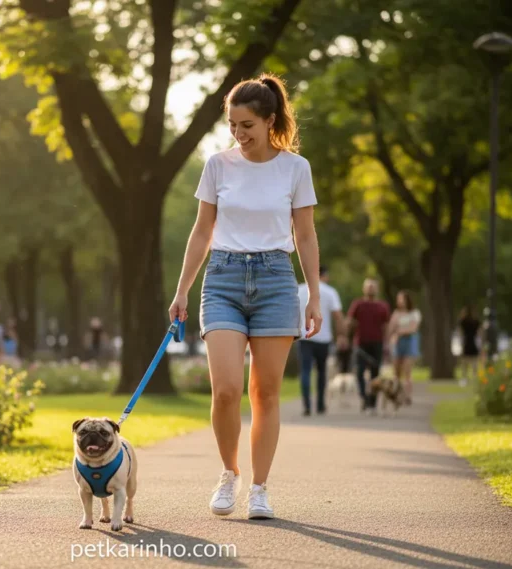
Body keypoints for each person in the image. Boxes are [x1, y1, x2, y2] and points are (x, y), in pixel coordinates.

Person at [168, 73, 322, 521]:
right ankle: (228, 473)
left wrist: (312, 295)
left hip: (276, 278)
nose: (238, 134)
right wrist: (182, 290)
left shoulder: (296, 168)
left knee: (266, 393)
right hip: (223, 279)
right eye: (233, 125)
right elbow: (201, 231)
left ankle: (259, 488)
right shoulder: (217, 165)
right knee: (226, 390)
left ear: (270, 120)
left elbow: (307, 236)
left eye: (247, 126)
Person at [297, 265, 346, 416]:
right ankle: (320, 405)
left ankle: (306, 405)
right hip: (323, 338)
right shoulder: (330, 292)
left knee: (305, 371)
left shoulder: (299, 290)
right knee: (321, 371)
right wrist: (342, 335)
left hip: (303, 336)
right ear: (323, 275)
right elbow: (338, 316)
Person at [346, 278, 390, 411]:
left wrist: (387, 343)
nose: (371, 289)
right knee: (359, 373)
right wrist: (347, 333)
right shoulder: (357, 304)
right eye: (368, 286)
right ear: (364, 289)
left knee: (375, 374)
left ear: (377, 289)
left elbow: (386, 326)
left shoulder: (383, 306)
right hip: (360, 344)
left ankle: (372, 402)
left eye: (373, 286)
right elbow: (350, 321)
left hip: (377, 343)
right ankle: (364, 397)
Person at [387, 290, 421, 405]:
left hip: (409, 343)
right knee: (396, 372)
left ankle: (407, 396)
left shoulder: (414, 313)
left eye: (401, 299)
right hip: (397, 344)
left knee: (407, 372)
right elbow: (391, 328)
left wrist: (399, 332)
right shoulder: (396, 314)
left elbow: (413, 329)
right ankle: (396, 394)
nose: (400, 301)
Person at [458, 305, 481, 385]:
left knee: (465, 363)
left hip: (468, 343)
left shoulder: (464, 322)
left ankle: (465, 378)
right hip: (472, 343)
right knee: (473, 363)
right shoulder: (475, 322)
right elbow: (479, 332)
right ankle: (472, 379)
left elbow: (460, 332)